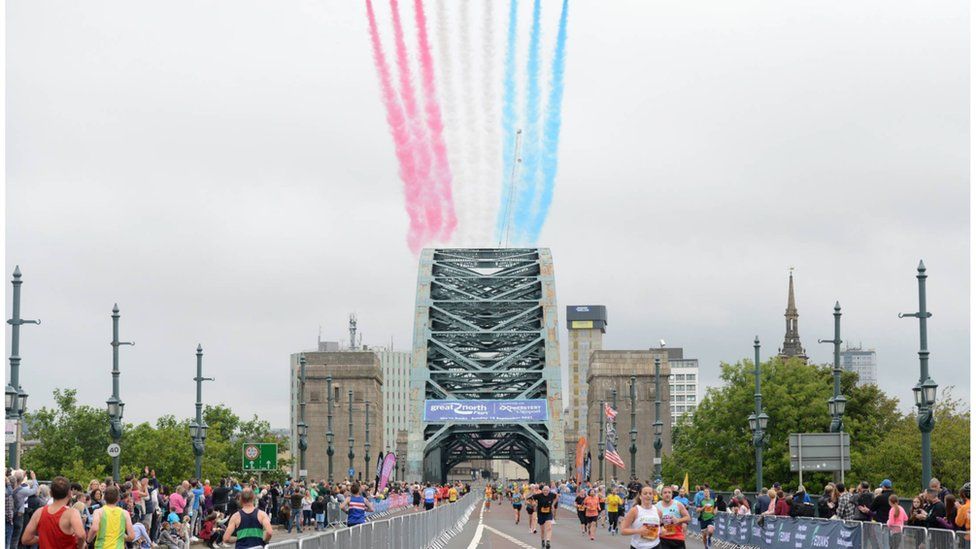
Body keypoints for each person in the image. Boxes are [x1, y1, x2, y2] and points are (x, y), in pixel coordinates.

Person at [18, 477, 85, 549]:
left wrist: (43, 539)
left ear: (51, 493)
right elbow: (81, 535)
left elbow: (25, 539)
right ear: (69, 493)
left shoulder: (39, 512)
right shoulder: (72, 513)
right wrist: (80, 546)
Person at [529, 484, 557, 549]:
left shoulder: (552, 495)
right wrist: (534, 503)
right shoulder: (539, 495)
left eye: (547, 490)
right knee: (542, 530)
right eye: (544, 490)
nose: (545, 491)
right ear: (542, 490)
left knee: (549, 527)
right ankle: (542, 541)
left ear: (549, 491)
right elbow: (530, 498)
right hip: (541, 514)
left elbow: (556, 497)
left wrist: (553, 504)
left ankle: (548, 542)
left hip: (548, 513)